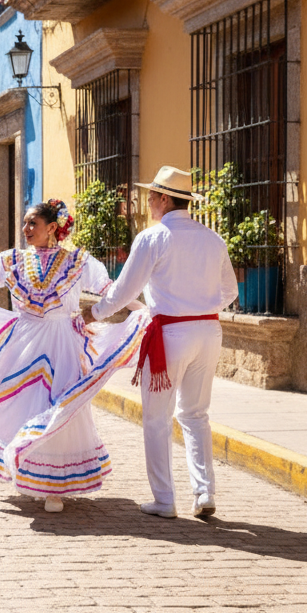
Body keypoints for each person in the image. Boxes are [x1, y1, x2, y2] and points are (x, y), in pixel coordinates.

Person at [0, 199, 147, 513]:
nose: (26, 229)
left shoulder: (78, 261)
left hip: (62, 342)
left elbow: (109, 289)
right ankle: (27, 470)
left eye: (33, 223)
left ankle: (53, 487)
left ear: (52, 228)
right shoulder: (12, 259)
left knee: (58, 404)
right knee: (21, 403)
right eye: (25, 223)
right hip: (23, 342)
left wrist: (141, 309)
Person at [82, 166, 238, 519]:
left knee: (157, 418)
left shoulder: (153, 238)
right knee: (196, 414)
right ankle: (204, 492)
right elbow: (230, 291)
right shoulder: (212, 238)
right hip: (208, 332)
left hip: (169, 335)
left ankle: (165, 499)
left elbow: (125, 290)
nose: (148, 202)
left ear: (165, 199)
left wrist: (95, 313)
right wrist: (199, 308)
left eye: (151, 196)